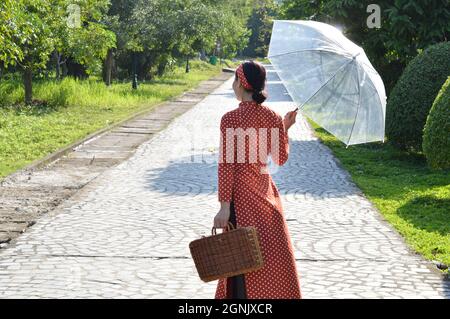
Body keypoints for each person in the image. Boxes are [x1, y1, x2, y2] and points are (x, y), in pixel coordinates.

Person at [213, 61, 302, 299]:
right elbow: (280, 158)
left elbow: (227, 165)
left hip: (241, 200)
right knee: (269, 259)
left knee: (240, 258)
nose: (232, 86)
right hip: (266, 197)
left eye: (234, 80)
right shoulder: (272, 116)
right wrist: (284, 128)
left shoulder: (230, 119)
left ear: (242, 83)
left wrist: (224, 207)